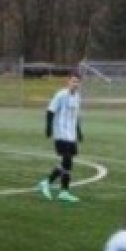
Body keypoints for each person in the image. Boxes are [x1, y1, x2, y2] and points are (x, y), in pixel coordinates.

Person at [37, 74, 83, 203]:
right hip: (60, 133)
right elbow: (50, 111)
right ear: (68, 81)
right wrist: (49, 127)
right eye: (73, 81)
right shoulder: (61, 95)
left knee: (67, 162)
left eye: (78, 82)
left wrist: (78, 131)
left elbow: (75, 116)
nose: (75, 84)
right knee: (67, 160)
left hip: (71, 134)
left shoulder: (77, 97)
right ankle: (64, 191)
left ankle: (47, 182)